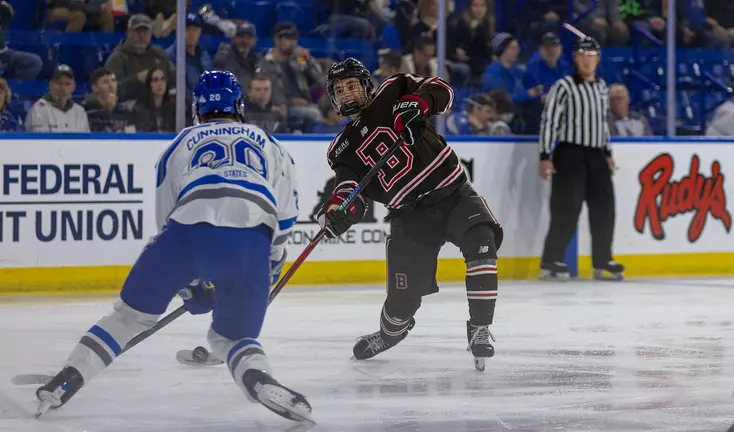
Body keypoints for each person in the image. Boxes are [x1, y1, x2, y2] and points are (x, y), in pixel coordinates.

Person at [34, 71, 312, 424]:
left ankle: (66, 381)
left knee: (128, 318)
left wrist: (188, 284)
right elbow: (286, 216)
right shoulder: (268, 141)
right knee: (232, 337)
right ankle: (259, 380)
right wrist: (269, 264)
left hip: (187, 232)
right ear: (239, 106)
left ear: (197, 108)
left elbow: (167, 218)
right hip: (251, 241)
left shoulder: (183, 141)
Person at [320, 58, 503, 371]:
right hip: (410, 217)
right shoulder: (342, 148)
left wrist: (417, 105)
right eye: (340, 89)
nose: (348, 93)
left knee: (482, 243)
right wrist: (338, 212)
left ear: (366, 86)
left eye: (352, 85)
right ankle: (390, 333)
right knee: (402, 305)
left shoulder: (394, 89)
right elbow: (349, 191)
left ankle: (479, 327)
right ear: (334, 99)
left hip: (453, 194)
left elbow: (442, 90)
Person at [538, 37, 623, 281]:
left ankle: (602, 260)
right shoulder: (563, 86)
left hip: (596, 154)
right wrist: (545, 155)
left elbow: (603, 123)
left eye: (592, 55)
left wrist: (607, 152)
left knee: (605, 208)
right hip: (570, 153)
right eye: (583, 55)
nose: (587, 60)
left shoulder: (601, 87)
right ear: (575, 58)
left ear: (598, 58)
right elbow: (550, 121)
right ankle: (551, 260)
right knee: (566, 208)